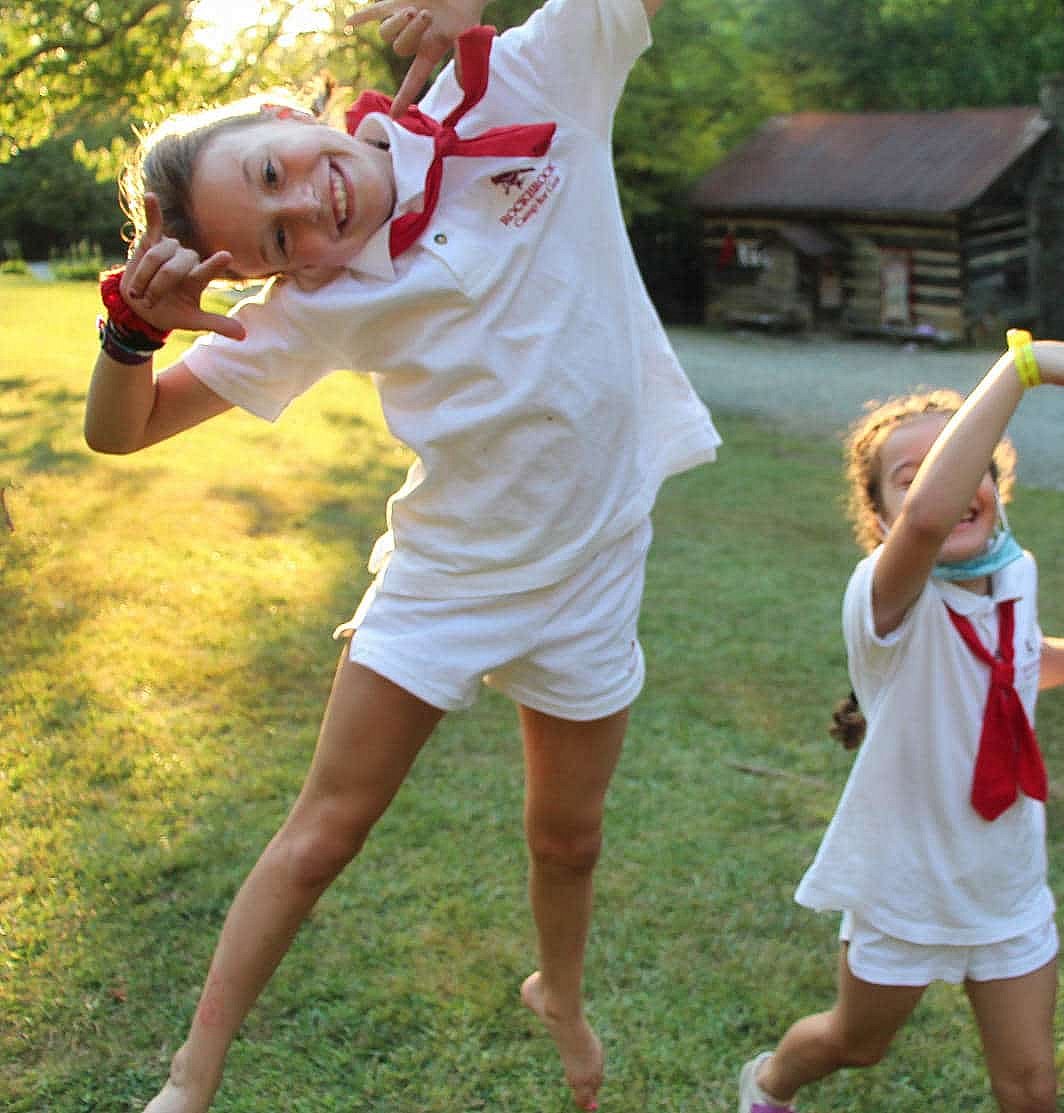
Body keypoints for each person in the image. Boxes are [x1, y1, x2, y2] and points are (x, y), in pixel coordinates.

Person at [84, 1, 719, 1110]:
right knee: (325, 833)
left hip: (595, 563)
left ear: (289, 113)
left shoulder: (528, 83)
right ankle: (189, 1082)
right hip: (447, 580)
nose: (307, 204)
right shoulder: (317, 302)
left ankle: (558, 993)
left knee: (569, 840)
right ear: (280, 272)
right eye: (278, 235)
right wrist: (133, 332)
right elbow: (122, 430)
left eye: (278, 166)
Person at [737, 329, 1064, 1113]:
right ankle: (768, 1086)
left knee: (1031, 1084)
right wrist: (1021, 367)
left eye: (965, 465)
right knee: (853, 1043)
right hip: (906, 880)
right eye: (912, 475)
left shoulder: (1013, 571)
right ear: (881, 514)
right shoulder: (882, 596)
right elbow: (929, 522)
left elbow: (1018, 656)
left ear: (995, 480)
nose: (945, 484)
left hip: (1004, 877)